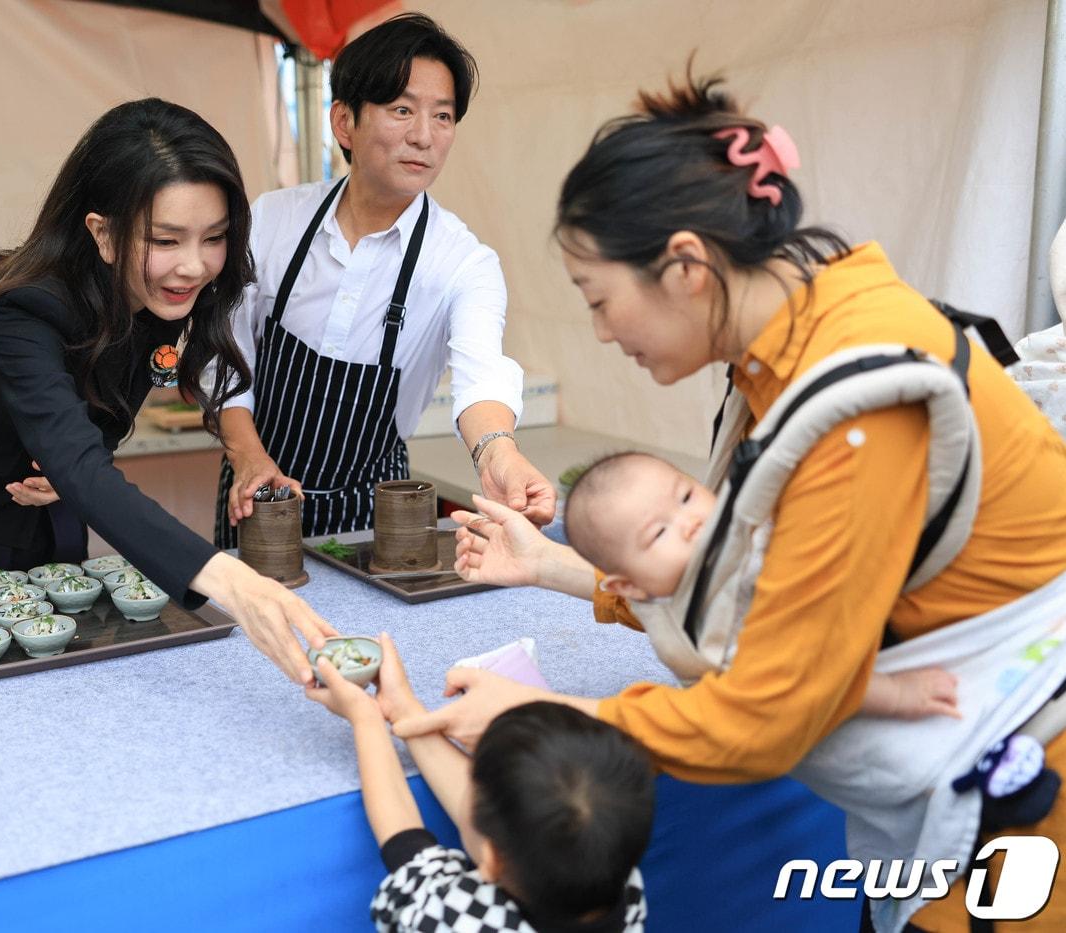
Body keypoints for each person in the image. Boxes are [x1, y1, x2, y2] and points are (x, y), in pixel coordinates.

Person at [392, 71, 1066, 930]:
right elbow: (749, 587)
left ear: (685, 267)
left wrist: (549, 711)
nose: (603, 333)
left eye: (601, 300)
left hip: (1018, 808)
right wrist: (560, 565)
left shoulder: (855, 403)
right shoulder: (799, 342)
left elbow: (766, 715)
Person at [0, 99, 335, 684]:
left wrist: (68, 470)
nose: (194, 267)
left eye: (215, 237)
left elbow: (85, 432)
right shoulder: (25, 309)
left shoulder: (160, 298)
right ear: (102, 232)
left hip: (51, 522)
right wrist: (233, 582)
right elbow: (75, 454)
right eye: (166, 240)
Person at [208, 13, 554, 547]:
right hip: (258, 496)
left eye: (443, 116)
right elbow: (223, 353)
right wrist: (247, 456)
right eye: (401, 110)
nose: (424, 136)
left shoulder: (463, 262)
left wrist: (499, 454)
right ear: (344, 121)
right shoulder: (273, 221)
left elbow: (482, 372)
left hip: (377, 511)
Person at [566, 451, 959, 720]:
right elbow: (805, 682)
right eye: (660, 532)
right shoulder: (703, 636)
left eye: (686, 496)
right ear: (630, 586)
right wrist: (898, 695)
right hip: (834, 709)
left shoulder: (729, 531)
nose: (691, 521)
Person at [307, 632, 650, 933]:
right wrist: (403, 709)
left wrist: (364, 718)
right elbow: (509, 810)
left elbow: (403, 839)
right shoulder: (621, 882)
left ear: (491, 858)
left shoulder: (459, 917)